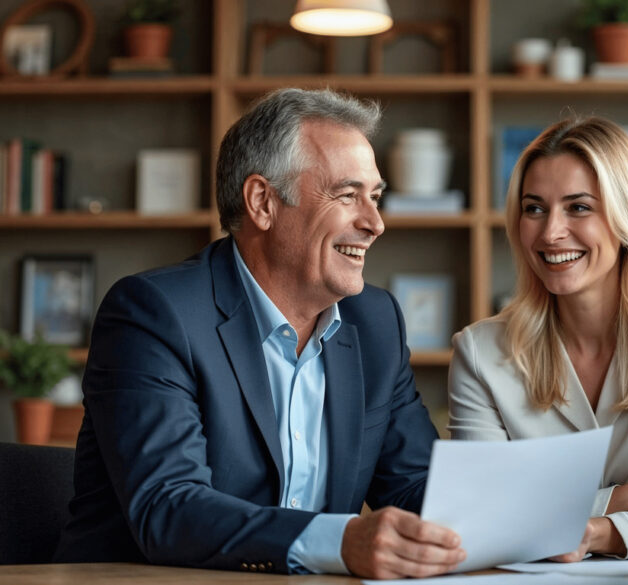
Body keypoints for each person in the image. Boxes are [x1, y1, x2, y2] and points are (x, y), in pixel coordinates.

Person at [53, 88, 465, 579]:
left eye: (375, 197)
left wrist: (525, 524)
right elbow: (169, 508)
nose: (375, 223)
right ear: (262, 202)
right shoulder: (153, 314)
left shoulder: (375, 322)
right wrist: (341, 540)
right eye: (347, 195)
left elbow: (417, 486)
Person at [448, 116, 628, 560]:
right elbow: (483, 520)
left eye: (579, 207)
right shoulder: (480, 352)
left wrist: (592, 532)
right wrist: (621, 500)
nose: (550, 233)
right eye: (534, 208)